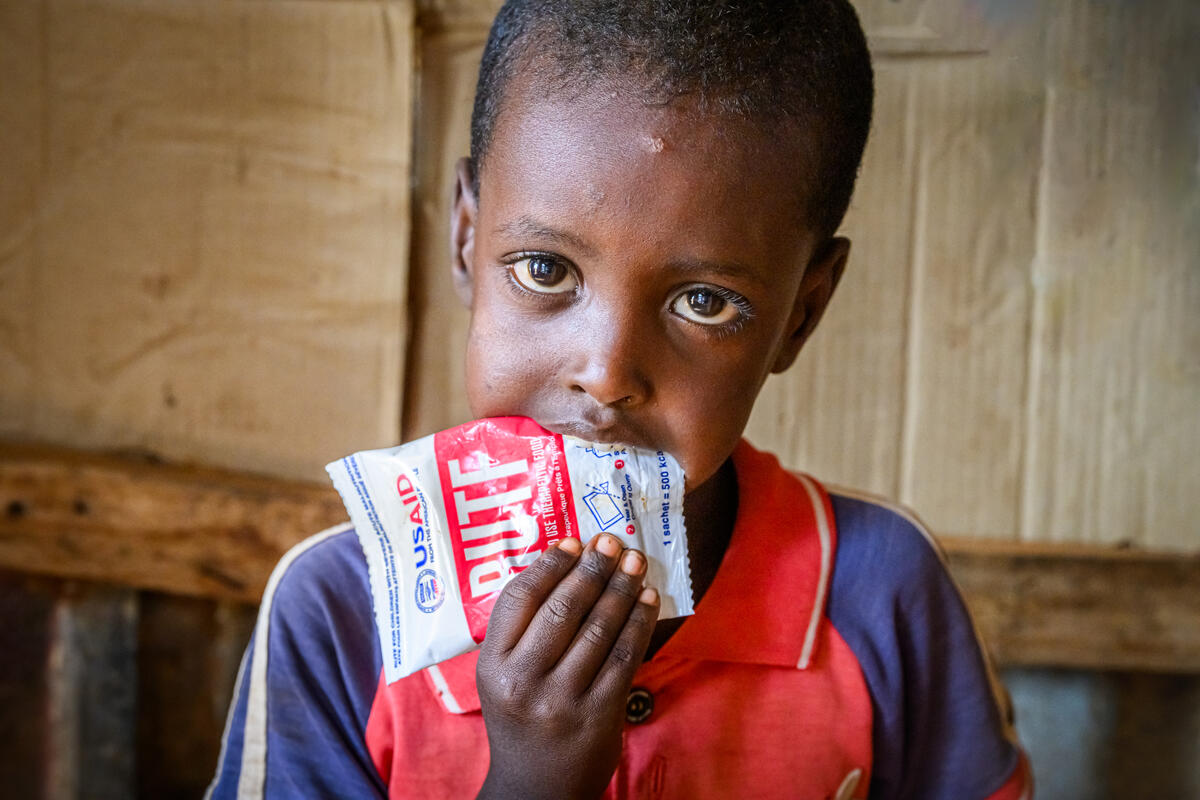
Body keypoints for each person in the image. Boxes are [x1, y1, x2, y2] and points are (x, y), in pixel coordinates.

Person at [208, 1, 1032, 798]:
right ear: (466, 237)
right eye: (544, 269)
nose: (605, 374)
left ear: (801, 316)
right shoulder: (340, 615)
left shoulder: (878, 589)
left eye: (704, 303)